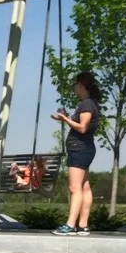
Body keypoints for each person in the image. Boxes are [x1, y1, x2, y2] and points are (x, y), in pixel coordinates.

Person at [51, 71, 101, 236]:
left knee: (74, 188)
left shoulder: (86, 104)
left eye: (75, 85)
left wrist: (65, 119)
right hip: (84, 148)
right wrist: (64, 118)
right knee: (84, 186)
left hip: (79, 149)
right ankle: (83, 225)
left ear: (81, 85)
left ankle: (70, 224)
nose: (74, 88)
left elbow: (82, 127)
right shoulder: (91, 103)